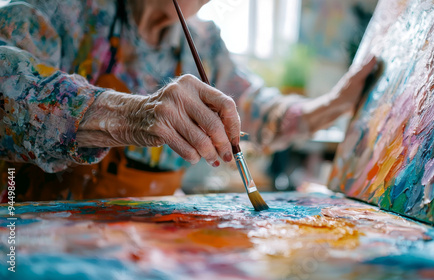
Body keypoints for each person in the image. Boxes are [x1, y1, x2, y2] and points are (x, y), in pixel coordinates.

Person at [0, 0, 376, 201]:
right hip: (35, 239)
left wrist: (336, 103)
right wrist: (130, 115)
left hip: (142, 247)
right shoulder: (61, 11)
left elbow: (263, 114)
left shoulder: (205, 41)